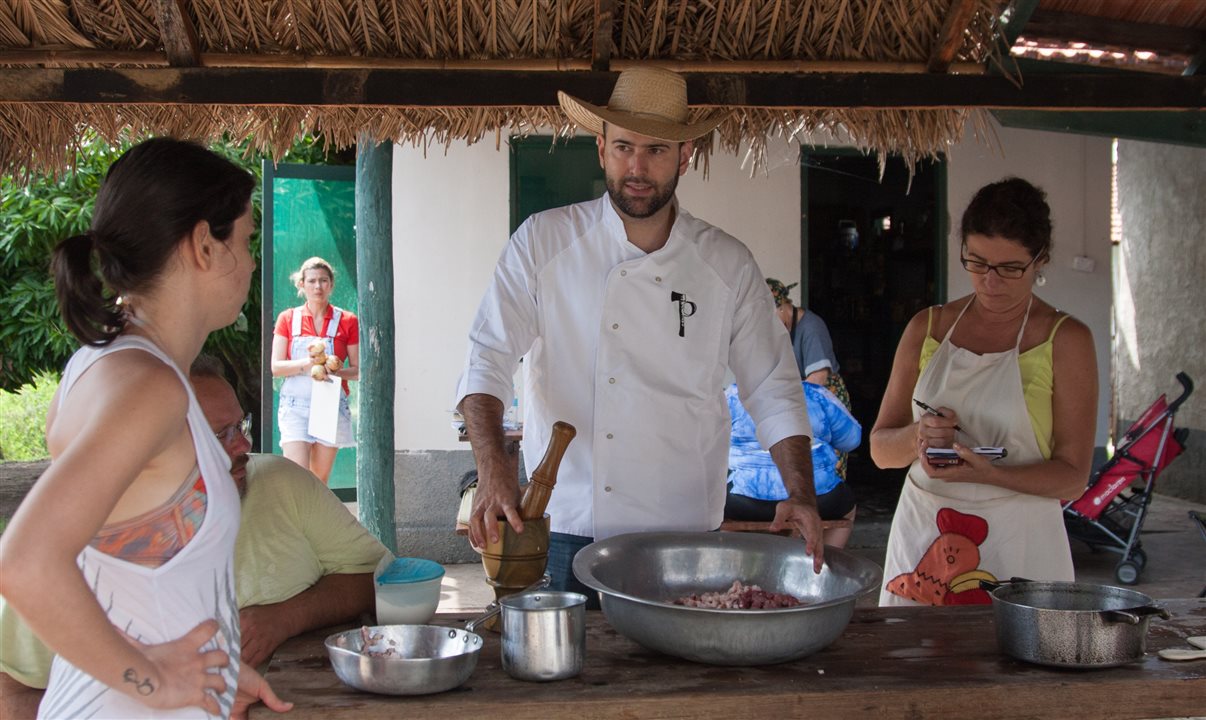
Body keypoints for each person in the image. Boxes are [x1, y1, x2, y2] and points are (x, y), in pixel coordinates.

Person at [455, 66, 825, 607]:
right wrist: (493, 471)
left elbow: (772, 385)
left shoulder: (726, 263)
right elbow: (487, 356)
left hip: (685, 535)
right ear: (601, 148)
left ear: (685, 155)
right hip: (565, 526)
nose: (637, 167)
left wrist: (802, 494)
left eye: (656, 150)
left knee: (681, 686)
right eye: (624, 147)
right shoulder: (544, 241)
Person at [0, 138, 290, 718]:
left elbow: (132, 574)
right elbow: (25, 562)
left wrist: (215, 669)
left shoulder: (104, 365)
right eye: (247, 239)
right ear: (204, 245)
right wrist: (156, 682)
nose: (253, 261)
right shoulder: (147, 389)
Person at [1, 357, 390, 718]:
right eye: (218, 435)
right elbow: (11, 695)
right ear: (152, 450)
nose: (243, 446)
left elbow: (381, 580)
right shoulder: (78, 548)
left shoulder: (279, 482)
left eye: (242, 426)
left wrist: (285, 617)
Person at [869, 177, 1098, 607]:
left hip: (1022, 537)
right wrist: (919, 435)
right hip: (925, 533)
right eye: (976, 263)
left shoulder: (1066, 340)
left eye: (1011, 268)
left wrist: (991, 474)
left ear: (1041, 260)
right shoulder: (928, 327)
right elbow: (882, 451)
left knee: (1017, 665)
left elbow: (1072, 476)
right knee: (918, 665)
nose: (990, 281)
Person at [725, 381, 861, 547]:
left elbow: (709, 440)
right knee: (847, 505)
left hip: (744, 500)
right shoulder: (815, 393)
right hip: (820, 498)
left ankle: (734, 559)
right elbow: (851, 440)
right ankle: (824, 564)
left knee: (719, 506)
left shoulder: (732, 395)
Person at [270, 257, 359, 484]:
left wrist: (334, 371)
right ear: (301, 284)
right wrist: (308, 365)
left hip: (329, 404)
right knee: (297, 477)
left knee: (318, 480)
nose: (317, 286)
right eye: (311, 281)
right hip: (295, 406)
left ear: (331, 284)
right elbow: (276, 367)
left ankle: (312, 519)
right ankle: (296, 520)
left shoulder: (347, 321)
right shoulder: (287, 319)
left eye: (323, 280)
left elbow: (358, 370)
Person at [766, 277, 854, 480]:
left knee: (826, 464)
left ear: (782, 307)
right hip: (803, 402)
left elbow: (818, 378)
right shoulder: (781, 330)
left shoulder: (811, 326)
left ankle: (829, 507)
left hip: (824, 401)